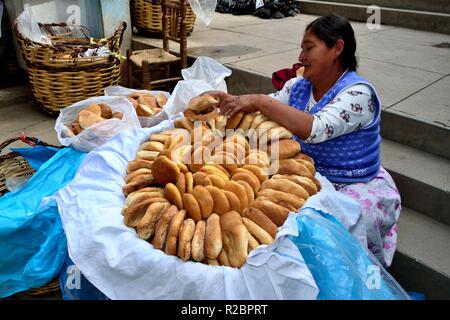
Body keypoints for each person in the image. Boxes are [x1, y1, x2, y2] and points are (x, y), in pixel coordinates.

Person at [206, 15, 401, 267]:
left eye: (309, 48)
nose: (301, 57)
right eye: (302, 48)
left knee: (315, 236)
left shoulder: (359, 94)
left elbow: (315, 128)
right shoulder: (299, 86)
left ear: (337, 49)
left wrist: (259, 101)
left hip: (350, 181)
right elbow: (268, 106)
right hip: (305, 174)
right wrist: (228, 102)